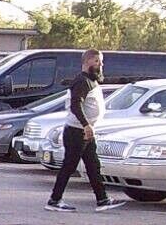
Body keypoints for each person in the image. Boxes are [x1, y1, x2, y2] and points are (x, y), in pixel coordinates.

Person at [46, 49, 125, 212]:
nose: (100, 65)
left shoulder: (91, 81)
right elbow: (76, 104)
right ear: (87, 61)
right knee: (69, 166)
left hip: (85, 132)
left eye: (101, 62)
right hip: (77, 131)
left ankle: (102, 199)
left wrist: (89, 127)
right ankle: (54, 200)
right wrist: (86, 125)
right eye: (97, 61)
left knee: (93, 165)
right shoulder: (82, 81)